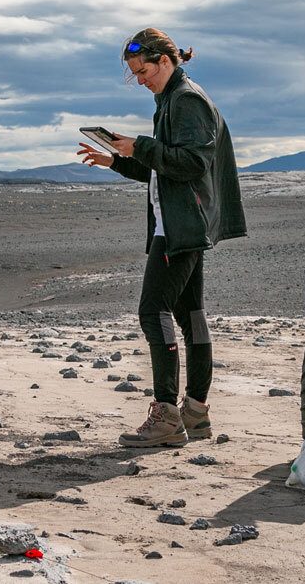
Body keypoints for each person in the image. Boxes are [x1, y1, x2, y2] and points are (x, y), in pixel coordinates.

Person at [77, 28, 247, 447]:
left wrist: (141, 147)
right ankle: (197, 413)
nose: (140, 79)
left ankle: (167, 415)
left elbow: (191, 163)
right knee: (192, 317)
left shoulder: (185, 100)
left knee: (154, 311)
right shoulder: (172, 99)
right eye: (134, 73)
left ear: (165, 61)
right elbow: (163, 168)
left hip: (178, 226)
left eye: (143, 70)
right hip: (185, 223)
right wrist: (117, 159)